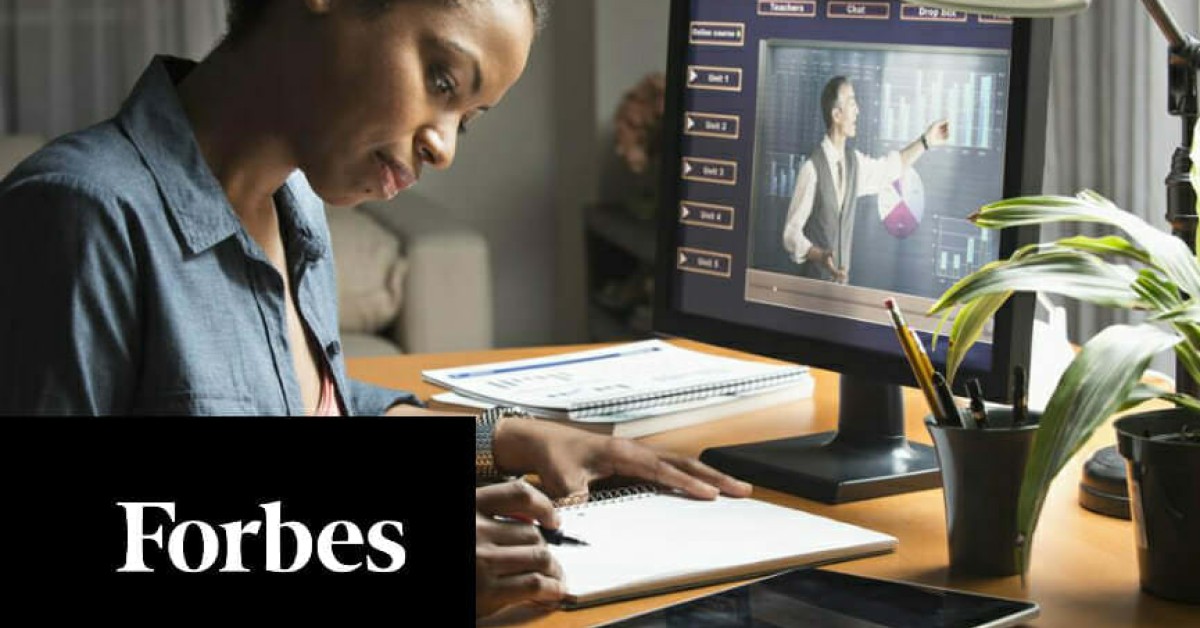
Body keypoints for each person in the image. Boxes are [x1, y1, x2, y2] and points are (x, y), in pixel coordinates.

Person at [0, 0, 752, 619]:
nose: (446, 146)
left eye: (470, 116)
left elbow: (303, 409)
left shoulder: (294, 205)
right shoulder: (80, 216)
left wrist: (508, 440)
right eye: (442, 79)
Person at [781, 75, 949, 284]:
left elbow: (890, 168)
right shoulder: (811, 169)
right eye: (852, 102)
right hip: (811, 289)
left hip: (841, 290)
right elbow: (790, 234)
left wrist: (926, 142)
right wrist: (820, 256)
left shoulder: (854, 163)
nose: (858, 110)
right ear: (836, 114)